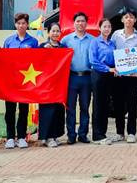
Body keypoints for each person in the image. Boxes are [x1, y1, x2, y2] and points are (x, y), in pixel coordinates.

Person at [2, 12, 39, 149]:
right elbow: (3, 60)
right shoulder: (8, 41)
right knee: (10, 111)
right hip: (11, 81)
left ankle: (22, 137)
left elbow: (37, 61)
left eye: (23, 23)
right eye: (18, 23)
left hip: (26, 81)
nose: (21, 25)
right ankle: (10, 137)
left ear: (27, 24)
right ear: (15, 24)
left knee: (24, 110)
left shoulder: (33, 42)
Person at [111, 8, 137, 143]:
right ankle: (120, 132)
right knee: (118, 104)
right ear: (122, 20)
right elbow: (112, 52)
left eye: (131, 17)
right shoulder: (116, 35)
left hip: (133, 76)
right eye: (126, 17)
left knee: (132, 104)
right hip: (119, 76)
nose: (129, 19)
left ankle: (131, 132)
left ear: (135, 20)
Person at [60, 11, 95, 145]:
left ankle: (83, 134)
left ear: (86, 23)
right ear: (74, 23)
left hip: (87, 78)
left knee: (85, 107)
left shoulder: (93, 40)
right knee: (70, 108)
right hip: (71, 78)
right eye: (78, 21)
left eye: (83, 21)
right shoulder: (66, 40)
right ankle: (71, 135)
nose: (80, 23)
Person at [38, 21, 66, 147]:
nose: (55, 33)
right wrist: (44, 51)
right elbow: (36, 61)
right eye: (53, 31)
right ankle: (46, 136)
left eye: (57, 31)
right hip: (46, 84)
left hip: (59, 84)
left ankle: (55, 135)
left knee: (58, 110)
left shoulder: (63, 48)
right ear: (48, 33)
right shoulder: (42, 46)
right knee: (47, 110)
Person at [90, 18, 117, 145]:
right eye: (104, 26)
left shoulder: (112, 43)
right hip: (98, 74)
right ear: (99, 28)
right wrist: (108, 69)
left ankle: (103, 134)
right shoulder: (95, 42)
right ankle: (97, 135)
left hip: (110, 75)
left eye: (109, 26)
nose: (107, 29)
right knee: (98, 104)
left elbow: (116, 59)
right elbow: (93, 61)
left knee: (106, 104)